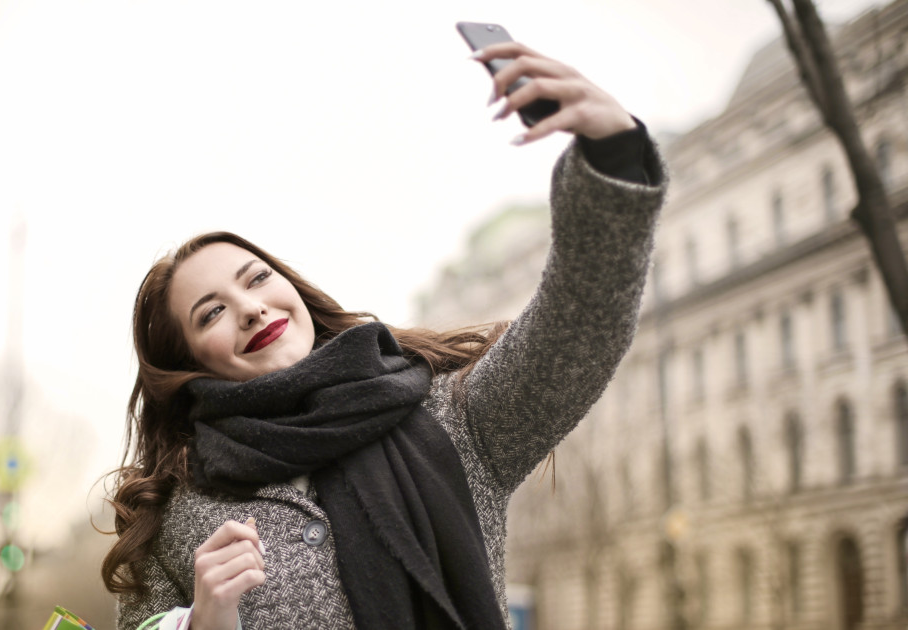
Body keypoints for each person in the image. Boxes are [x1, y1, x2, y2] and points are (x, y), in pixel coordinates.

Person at [103, 41, 668, 630]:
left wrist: (614, 157)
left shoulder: (448, 418)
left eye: (258, 278)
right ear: (188, 362)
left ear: (292, 289)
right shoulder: (170, 519)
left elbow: (575, 331)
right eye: (210, 313)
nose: (248, 308)